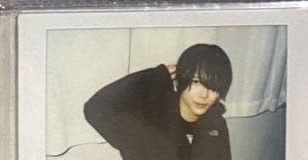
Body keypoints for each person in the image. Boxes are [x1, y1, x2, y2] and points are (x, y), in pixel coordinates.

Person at [84, 43, 233, 160]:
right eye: (195, 82)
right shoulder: (148, 120)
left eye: (213, 87)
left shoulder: (215, 125)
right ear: (181, 78)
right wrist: (153, 77)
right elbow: (95, 108)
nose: (204, 95)